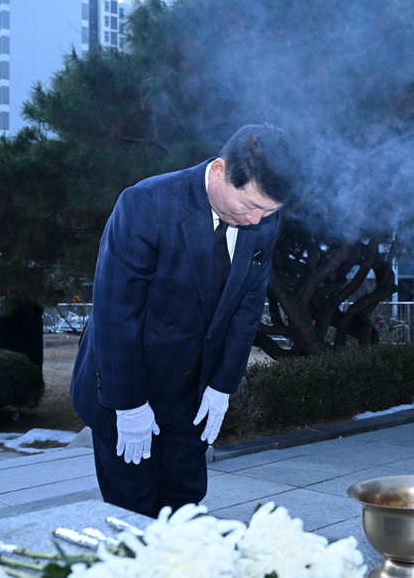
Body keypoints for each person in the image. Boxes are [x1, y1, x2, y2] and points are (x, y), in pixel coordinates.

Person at [70, 124, 297, 517]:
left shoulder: (263, 223)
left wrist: (222, 387)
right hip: (129, 382)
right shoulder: (147, 204)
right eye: (249, 205)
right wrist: (129, 405)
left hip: (193, 392)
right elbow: (116, 312)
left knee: (186, 502)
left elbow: (245, 310)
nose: (257, 220)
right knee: (133, 510)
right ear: (219, 171)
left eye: (269, 211)